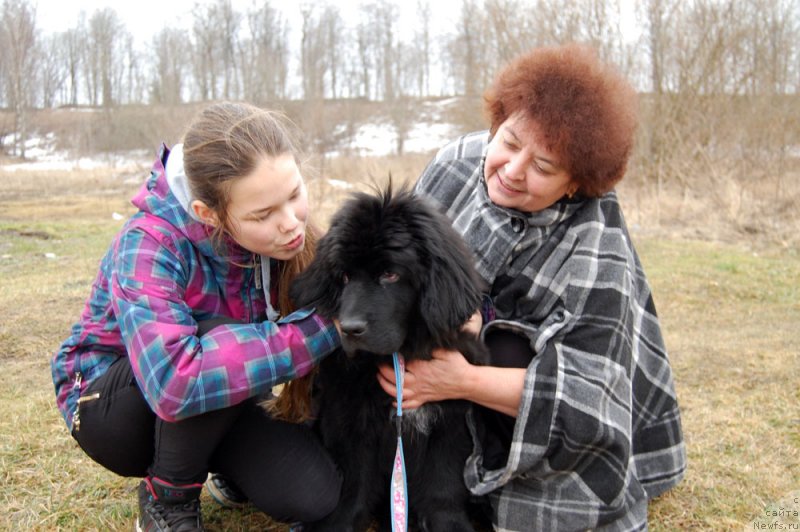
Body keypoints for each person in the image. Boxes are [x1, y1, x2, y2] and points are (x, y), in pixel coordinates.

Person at [377, 44, 686, 530]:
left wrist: (460, 380)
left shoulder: (594, 238)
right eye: (509, 141)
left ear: (575, 184)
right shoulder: (455, 163)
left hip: (523, 394)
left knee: (502, 347)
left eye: (543, 167)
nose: (512, 170)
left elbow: (589, 400)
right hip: (452, 377)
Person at [51, 102, 342, 531]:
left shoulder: (288, 238)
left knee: (315, 497)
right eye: (263, 214)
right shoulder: (148, 243)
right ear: (209, 213)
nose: (290, 223)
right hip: (115, 410)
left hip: (220, 400)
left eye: (295, 195)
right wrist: (326, 327)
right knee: (216, 342)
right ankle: (167, 500)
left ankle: (227, 466)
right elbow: (176, 382)